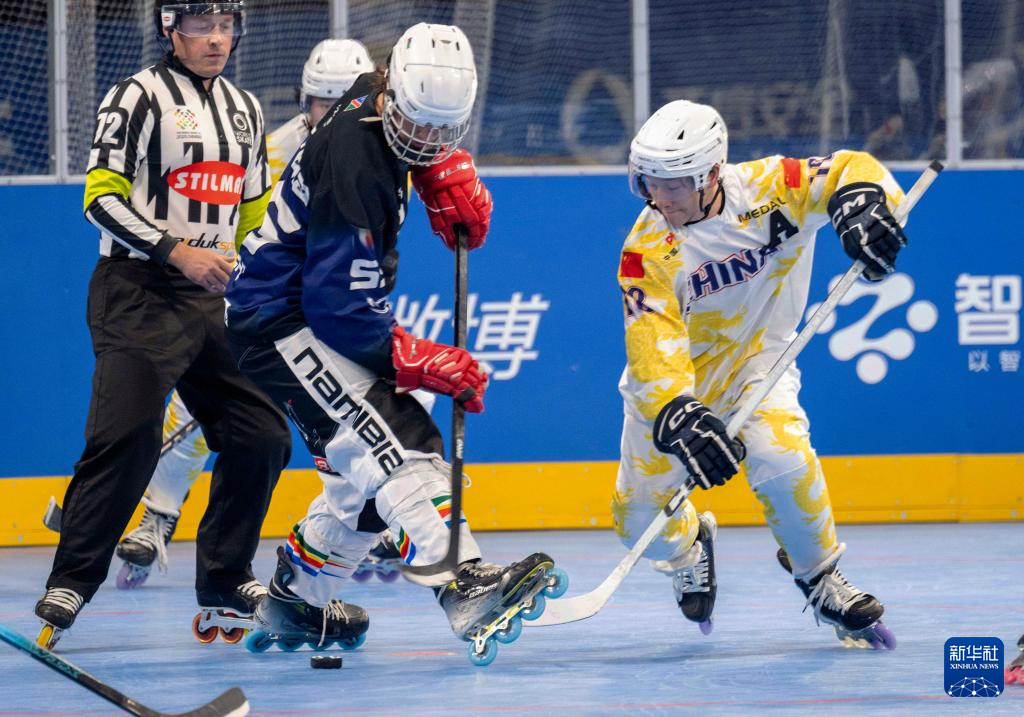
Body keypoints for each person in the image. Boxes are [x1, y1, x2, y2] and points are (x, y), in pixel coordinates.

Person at [224, 23, 562, 660]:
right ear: (394, 96)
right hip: (282, 319)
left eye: (443, 130)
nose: (427, 140)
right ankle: (461, 581)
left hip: (303, 310)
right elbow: (337, 305)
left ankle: (297, 601)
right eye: (417, 125)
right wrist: (413, 357)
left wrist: (436, 173)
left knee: (364, 488)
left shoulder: (372, 89)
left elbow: (411, 144)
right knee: (398, 437)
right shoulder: (355, 161)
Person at [34, 0, 292, 649]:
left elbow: (253, 206)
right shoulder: (136, 96)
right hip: (138, 289)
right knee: (129, 434)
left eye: (227, 26)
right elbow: (100, 198)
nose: (217, 39)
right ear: (170, 29)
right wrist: (179, 252)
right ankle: (72, 579)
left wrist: (255, 268)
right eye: (202, 27)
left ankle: (226, 577)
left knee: (261, 432)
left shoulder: (246, 108)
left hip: (212, 295)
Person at [614, 99, 906, 648]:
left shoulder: (774, 187)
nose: (659, 197)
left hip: (758, 361)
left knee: (782, 457)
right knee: (636, 523)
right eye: (648, 182)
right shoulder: (645, 251)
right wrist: (678, 411)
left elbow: (849, 168)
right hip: (678, 388)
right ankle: (689, 548)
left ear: (710, 175)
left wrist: (865, 205)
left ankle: (820, 577)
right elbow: (651, 342)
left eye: (672, 184)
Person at [114, 37, 374, 591]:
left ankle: (368, 521)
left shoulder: (377, 151)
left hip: (331, 302)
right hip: (267, 299)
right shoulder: (275, 151)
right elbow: (241, 225)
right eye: (322, 102)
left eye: (345, 101)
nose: (334, 114)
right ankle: (157, 514)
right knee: (203, 410)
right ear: (304, 100)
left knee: (362, 406)